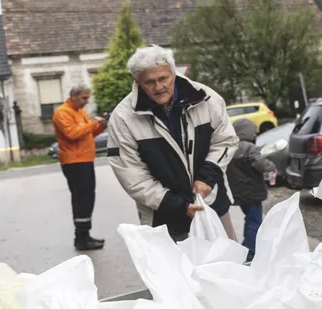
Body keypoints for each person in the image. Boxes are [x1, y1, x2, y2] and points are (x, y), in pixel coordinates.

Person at [107, 45, 239, 242]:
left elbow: (226, 140)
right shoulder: (123, 118)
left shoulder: (207, 98)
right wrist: (177, 205)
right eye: (149, 82)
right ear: (137, 81)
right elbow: (132, 175)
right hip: (164, 218)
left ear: (173, 72)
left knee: (227, 260)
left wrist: (207, 176)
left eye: (163, 78)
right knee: (176, 263)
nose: (158, 87)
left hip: (213, 205)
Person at [52, 84, 107, 251]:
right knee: (82, 199)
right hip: (74, 162)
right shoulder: (62, 112)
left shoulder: (79, 112)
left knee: (87, 198)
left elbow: (87, 133)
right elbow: (72, 134)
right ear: (74, 96)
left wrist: (101, 125)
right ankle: (81, 239)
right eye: (84, 98)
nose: (87, 101)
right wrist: (93, 123)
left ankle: (85, 235)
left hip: (84, 160)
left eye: (87, 98)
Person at [227, 118, 276, 261]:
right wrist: (272, 166)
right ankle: (250, 252)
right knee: (254, 222)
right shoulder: (249, 148)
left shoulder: (231, 147)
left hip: (237, 192)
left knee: (249, 219)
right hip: (252, 192)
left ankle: (246, 246)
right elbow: (261, 164)